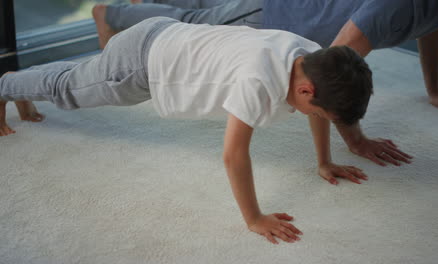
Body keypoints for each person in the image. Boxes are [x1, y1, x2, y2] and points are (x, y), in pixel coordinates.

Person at [1, 17, 374, 243]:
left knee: (75, 77)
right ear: (306, 90)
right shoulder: (258, 80)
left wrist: (324, 162)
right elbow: (233, 155)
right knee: (70, 89)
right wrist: (255, 219)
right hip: (142, 66)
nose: (316, 117)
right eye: (319, 112)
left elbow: (315, 111)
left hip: (166, 36)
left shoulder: (310, 54)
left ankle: (21, 83)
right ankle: (7, 85)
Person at [93, 0, 438, 169]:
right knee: (191, 22)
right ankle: (112, 13)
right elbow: (333, 71)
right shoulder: (394, 6)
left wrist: (433, 88)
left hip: (289, 30)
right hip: (272, 20)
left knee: (201, 12)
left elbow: (431, 24)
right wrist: (354, 140)